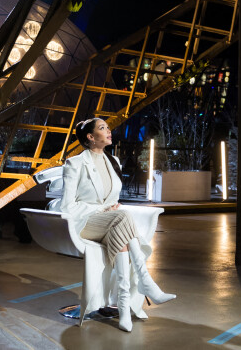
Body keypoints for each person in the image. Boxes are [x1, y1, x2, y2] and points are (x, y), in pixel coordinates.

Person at [59, 118, 175, 332]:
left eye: (108, 127)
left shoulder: (113, 162)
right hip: (84, 223)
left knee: (120, 226)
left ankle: (123, 308)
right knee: (122, 217)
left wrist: (110, 208)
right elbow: (68, 206)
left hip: (109, 223)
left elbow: (110, 200)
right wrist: (102, 210)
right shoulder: (74, 164)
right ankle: (146, 282)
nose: (109, 131)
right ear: (90, 137)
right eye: (102, 128)